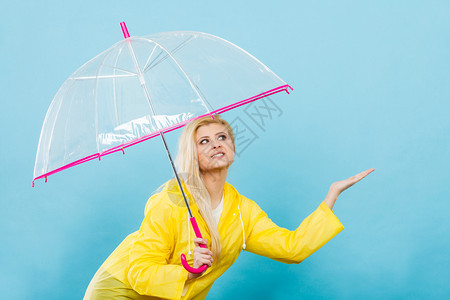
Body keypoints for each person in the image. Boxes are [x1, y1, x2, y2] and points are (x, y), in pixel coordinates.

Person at [84, 114, 374, 299]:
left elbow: (291, 248)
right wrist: (188, 270)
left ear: (233, 146)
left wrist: (331, 197)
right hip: (119, 290)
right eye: (204, 141)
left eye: (222, 137)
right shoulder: (170, 202)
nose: (215, 144)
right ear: (191, 154)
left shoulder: (241, 210)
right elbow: (139, 273)